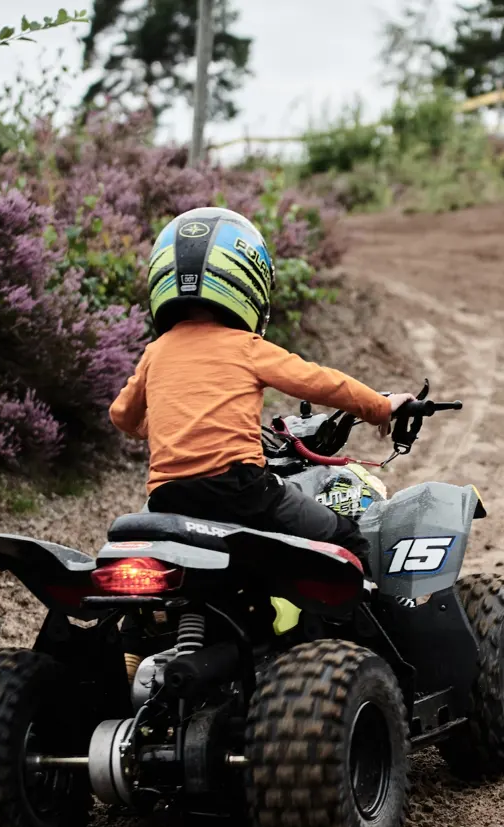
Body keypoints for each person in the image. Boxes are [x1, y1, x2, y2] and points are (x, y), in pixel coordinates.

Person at [109, 207, 415, 572]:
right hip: (239, 490)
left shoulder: (154, 353)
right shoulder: (245, 346)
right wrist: (381, 406)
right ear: (246, 280)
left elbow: (122, 415)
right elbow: (320, 382)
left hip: (167, 497)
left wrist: (167, 421)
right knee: (346, 541)